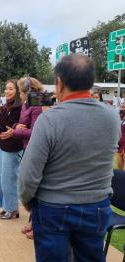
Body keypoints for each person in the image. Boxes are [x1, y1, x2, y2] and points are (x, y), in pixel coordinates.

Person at [19, 54, 121, 262]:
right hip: (97, 207)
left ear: (60, 82)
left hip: (53, 208)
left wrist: (30, 205)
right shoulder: (112, 117)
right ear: (90, 81)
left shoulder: (49, 120)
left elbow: (29, 174)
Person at [0, 80, 23, 219]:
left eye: (11, 89)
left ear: (17, 92)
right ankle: (3, 206)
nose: (7, 91)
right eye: (6, 88)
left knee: (8, 179)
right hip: (3, 146)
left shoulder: (18, 108)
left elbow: (8, 127)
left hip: (12, 147)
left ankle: (12, 208)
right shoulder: (6, 106)